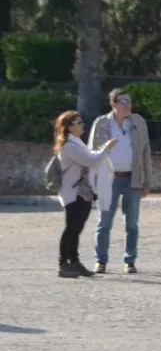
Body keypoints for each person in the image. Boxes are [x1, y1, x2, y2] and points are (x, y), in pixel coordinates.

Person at [88, 89, 153, 274]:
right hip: (108, 179)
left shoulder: (138, 122)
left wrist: (147, 182)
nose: (128, 105)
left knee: (132, 223)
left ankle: (129, 260)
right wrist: (91, 182)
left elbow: (146, 152)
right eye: (123, 101)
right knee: (104, 222)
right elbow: (91, 152)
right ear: (113, 104)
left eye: (130, 101)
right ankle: (101, 261)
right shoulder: (101, 123)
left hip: (132, 177)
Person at [53, 111, 118, 278]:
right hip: (73, 192)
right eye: (78, 122)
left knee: (77, 229)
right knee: (71, 228)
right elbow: (90, 160)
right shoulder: (68, 146)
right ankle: (63, 264)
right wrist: (106, 148)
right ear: (69, 127)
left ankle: (74, 261)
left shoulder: (77, 143)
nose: (82, 125)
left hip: (83, 192)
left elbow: (90, 157)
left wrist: (103, 150)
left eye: (82, 121)